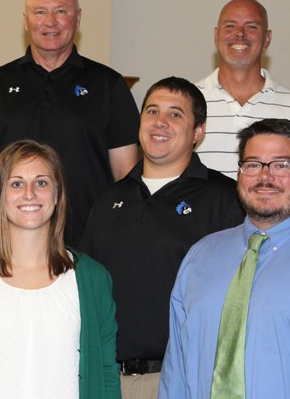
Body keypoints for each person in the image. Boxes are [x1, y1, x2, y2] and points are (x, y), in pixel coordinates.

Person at [80, 77, 244, 399]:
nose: (160, 122)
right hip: (108, 379)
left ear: (198, 132)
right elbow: (85, 290)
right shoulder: (107, 199)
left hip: (183, 380)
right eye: (152, 111)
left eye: (175, 114)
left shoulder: (226, 199)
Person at [0, 140, 120, 398]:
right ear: (0, 195)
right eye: (16, 183)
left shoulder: (93, 279)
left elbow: (107, 375)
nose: (29, 193)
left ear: (57, 194)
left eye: (41, 182)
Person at [160, 119, 290, 398]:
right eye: (252, 164)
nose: (265, 176)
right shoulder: (200, 256)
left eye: (282, 164)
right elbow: (177, 370)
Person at [0, 0, 140, 246]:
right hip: (3, 241)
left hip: (85, 241)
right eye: (40, 12)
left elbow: (126, 176)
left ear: (78, 18)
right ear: (26, 20)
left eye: (61, 11)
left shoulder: (108, 85)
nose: (50, 21)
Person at [194, 0, 290, 219]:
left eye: (251, 26)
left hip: (276, 246)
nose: (240, 34)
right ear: (216, 35)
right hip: (199, 238)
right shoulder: (188, 104)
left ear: (267, 39)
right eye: (230, 26)